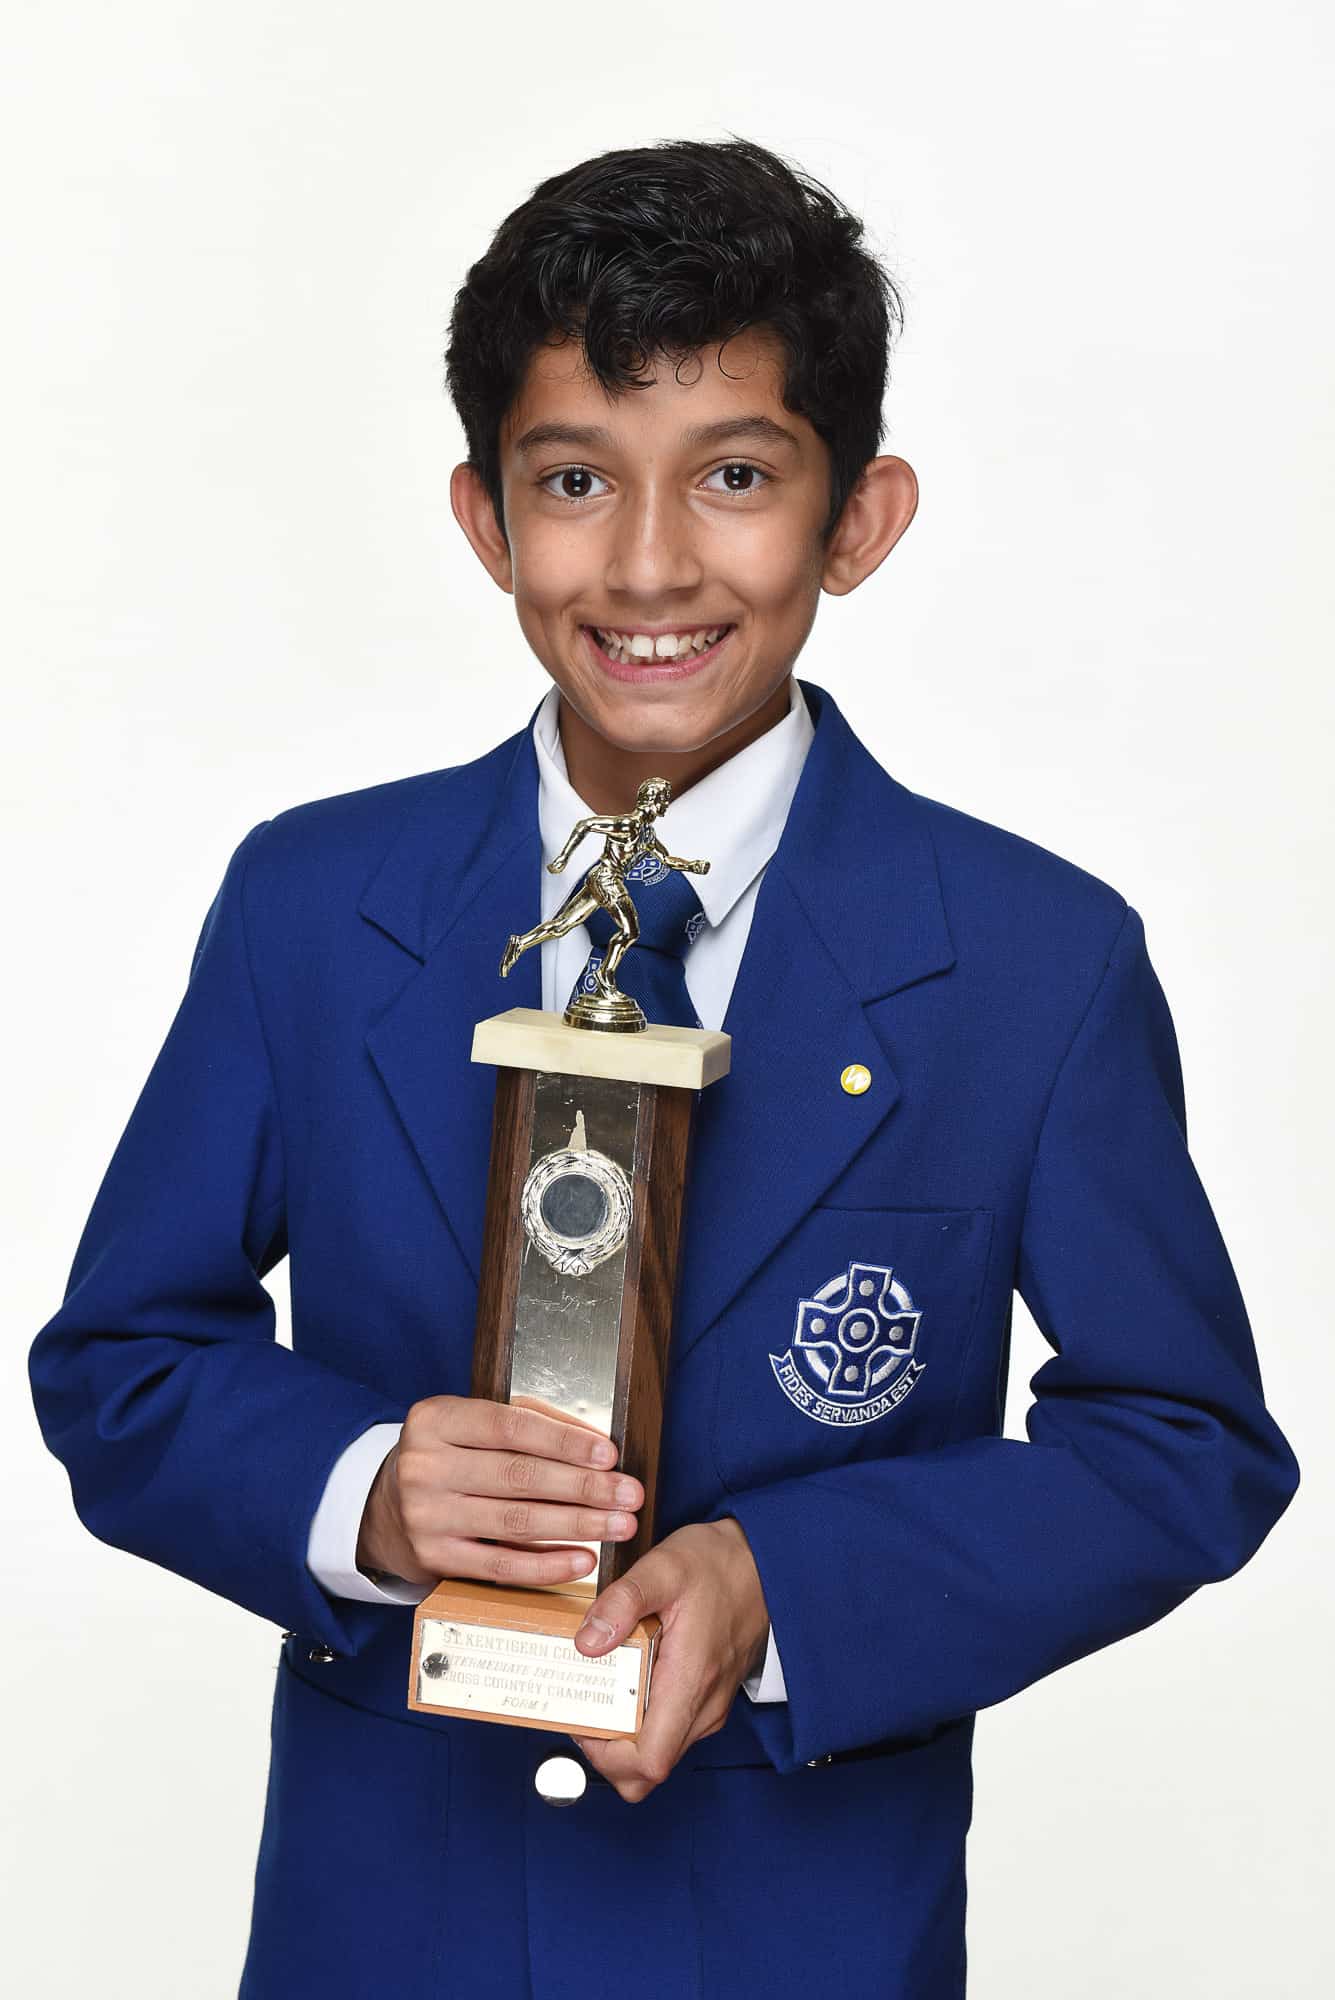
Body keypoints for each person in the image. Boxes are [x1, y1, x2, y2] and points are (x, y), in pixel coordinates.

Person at [28, 136, 1300, 1999]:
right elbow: (123, 1361)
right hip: (388, 1929)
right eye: (573, 481)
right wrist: (360, 1488)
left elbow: (1181, 1446)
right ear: (485, 520)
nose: (646, 563)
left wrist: (789, 1586)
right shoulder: (312, 903)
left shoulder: (1037, 959)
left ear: (858, 520)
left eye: (735, 477)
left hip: (799, 1935)